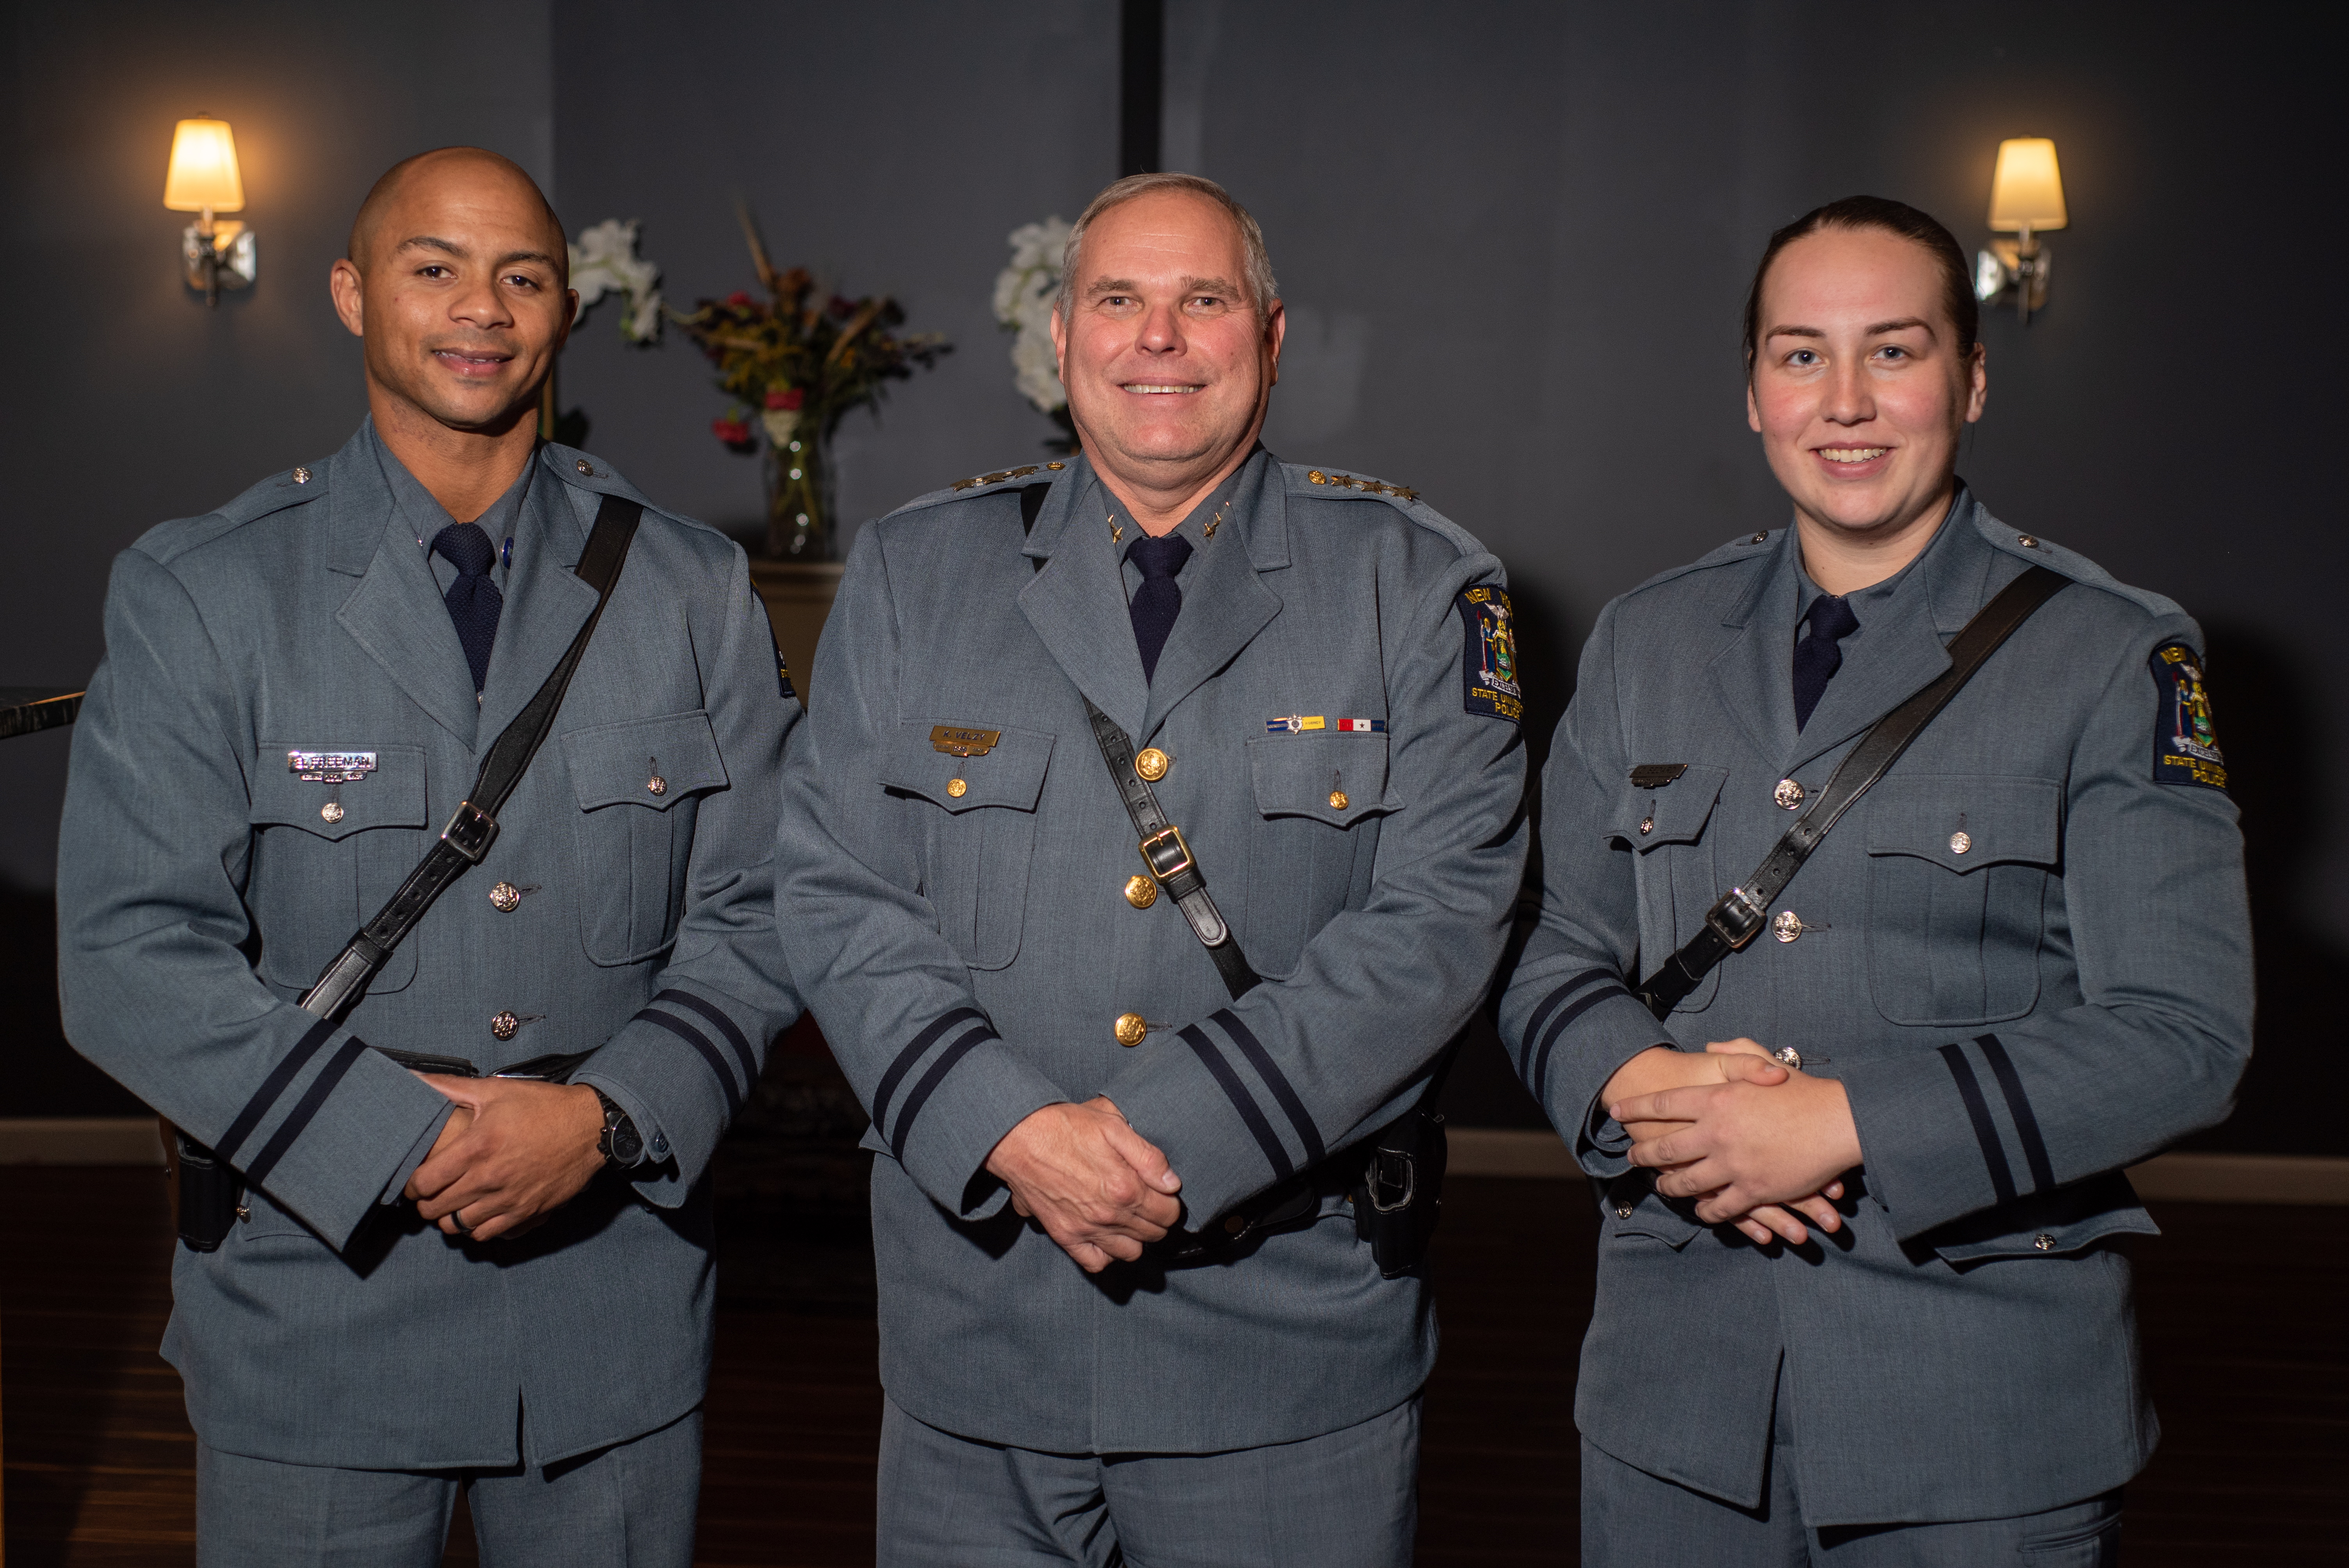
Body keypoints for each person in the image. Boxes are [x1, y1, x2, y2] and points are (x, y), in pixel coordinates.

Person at [56, 147, 798, 1566]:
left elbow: (761, 910)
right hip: (319, 1311)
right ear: (349, 293)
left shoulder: (685, 584)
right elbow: (126, 958)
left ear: (565, 309)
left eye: (522, 275)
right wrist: (407, 1144)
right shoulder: (206, 590)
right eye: (434, 267)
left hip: (610, 1312)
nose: (484, 308)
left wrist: (600, 1120)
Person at [773, 171, 1527, 1566]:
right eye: (1119, 300)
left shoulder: (1418, 583)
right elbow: (834, 891)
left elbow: (1442, 921)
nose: (1158, 338)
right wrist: (1006, 1128)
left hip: (1287, 1346)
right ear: (1061, 338)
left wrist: (1154, 1151)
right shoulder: (914, 572)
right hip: (976, 1333)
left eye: (1204, 301)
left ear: (1275, 336)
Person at [1500, 193, 2251, 1564]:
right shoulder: (1646, 639)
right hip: (1675, 1399)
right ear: (1751, 393)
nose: (1845, 401)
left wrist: (1847, 1125)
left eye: (1893, 352)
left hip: (1976, 1414)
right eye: (1800, 355)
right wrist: (1637, 1084)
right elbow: (1553, 943)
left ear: (1971, 377)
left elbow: (2185, 1038)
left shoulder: (2110, 654)